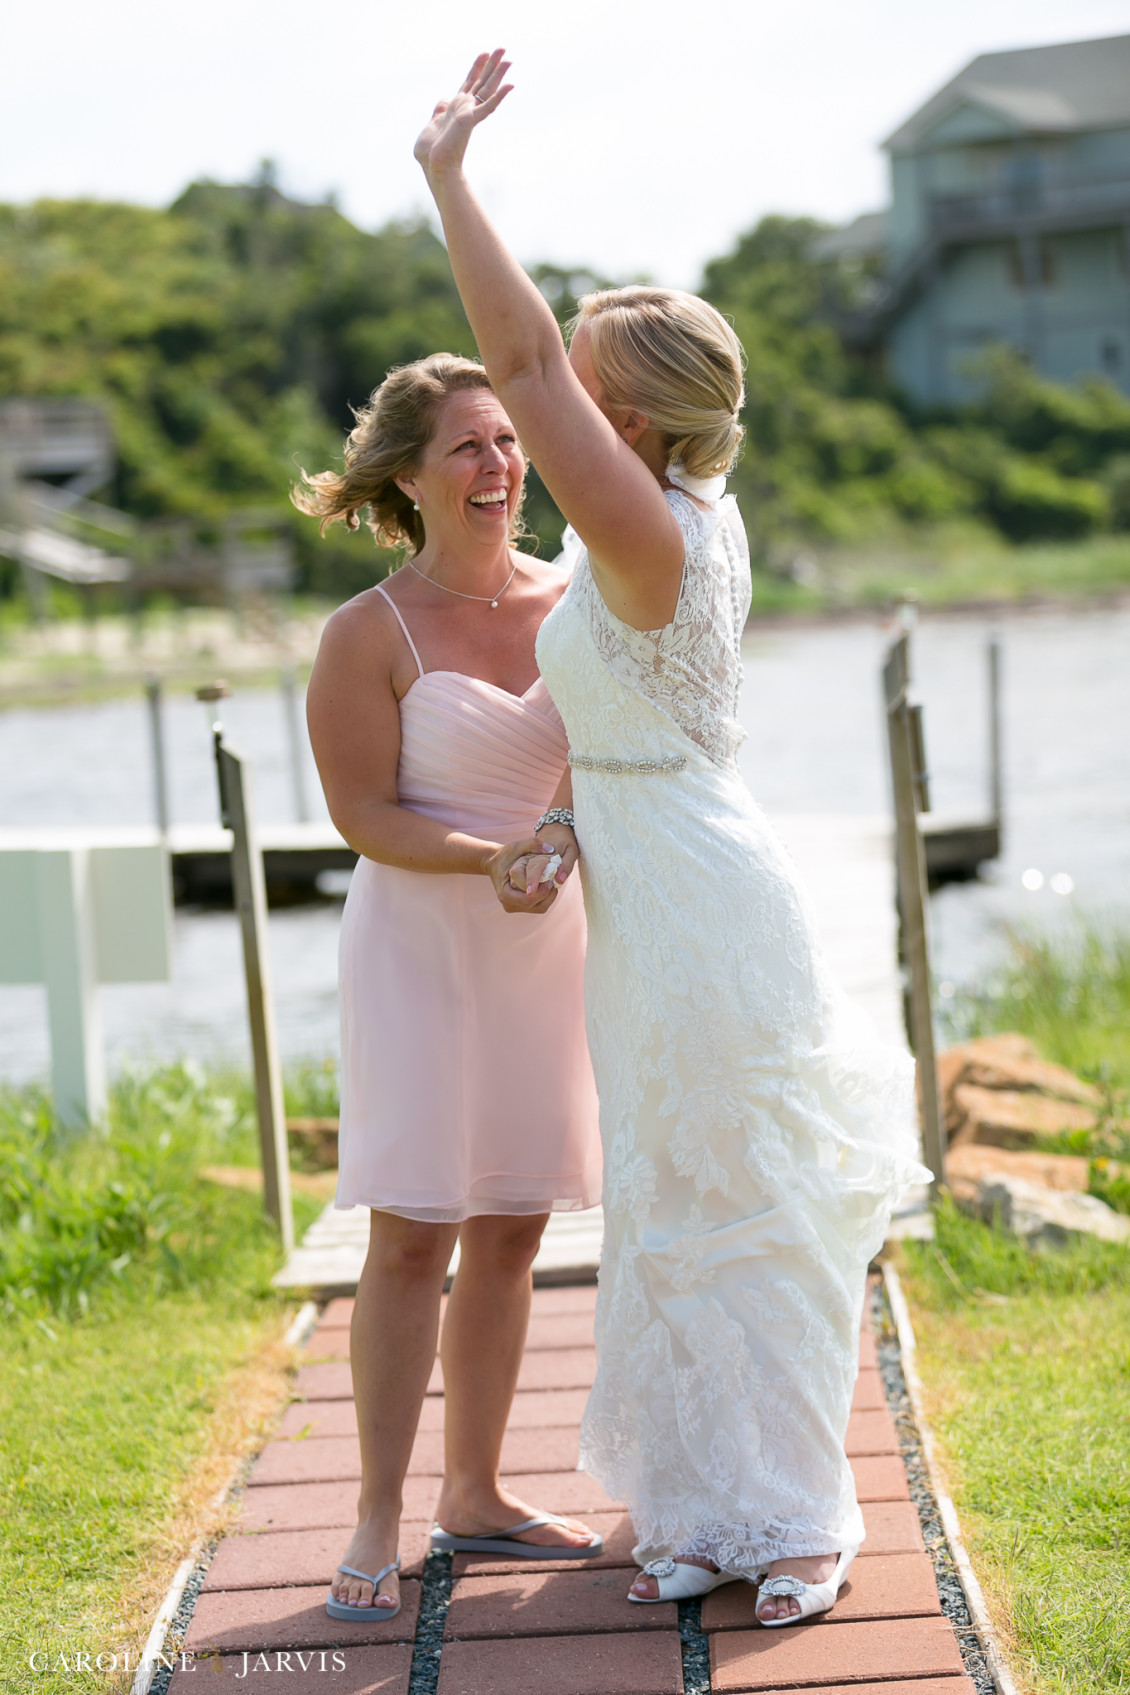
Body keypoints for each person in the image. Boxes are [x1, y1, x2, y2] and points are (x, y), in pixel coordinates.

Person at [412, 53, 930, 1624]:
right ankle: (705, 1506)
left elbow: (512, 351)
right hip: (647, 892)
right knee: (670, 1200)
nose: (544, 403)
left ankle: (801, 1518)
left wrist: (448, 179)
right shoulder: (643, 521)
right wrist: (565, 815)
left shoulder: (645, 528)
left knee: (747, 1201)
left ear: (623, 418)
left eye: (575, 391)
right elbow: (630, 715)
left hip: (703, 899)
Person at [296, 352, 604, 1623]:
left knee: (516, 1224)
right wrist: (490, 858)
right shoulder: (366, 632)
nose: (499, 465)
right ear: (408, 479)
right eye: (468, 446)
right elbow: (361, 813)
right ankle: (375, 1511)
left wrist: (562, 833)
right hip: (420, 944)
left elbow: (608, 758)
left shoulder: (578, 603)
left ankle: (473, 1492)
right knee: (413, 1229)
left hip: (547, 942)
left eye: (507, 440)